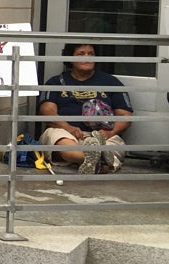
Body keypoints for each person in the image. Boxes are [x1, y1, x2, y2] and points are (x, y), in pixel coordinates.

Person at [38, 43, 133, 174]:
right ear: (70, 58)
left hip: (103, 137)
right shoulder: (55, 82)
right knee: (60, 141)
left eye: (91, 54)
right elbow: (46, 111)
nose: (87, 57)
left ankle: (90, 161)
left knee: (113, 147)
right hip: (67, 133)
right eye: (81, 54)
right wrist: (68, 128)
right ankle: (98, 161)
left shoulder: (111, 82)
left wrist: (109, 133)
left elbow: (126, 116)